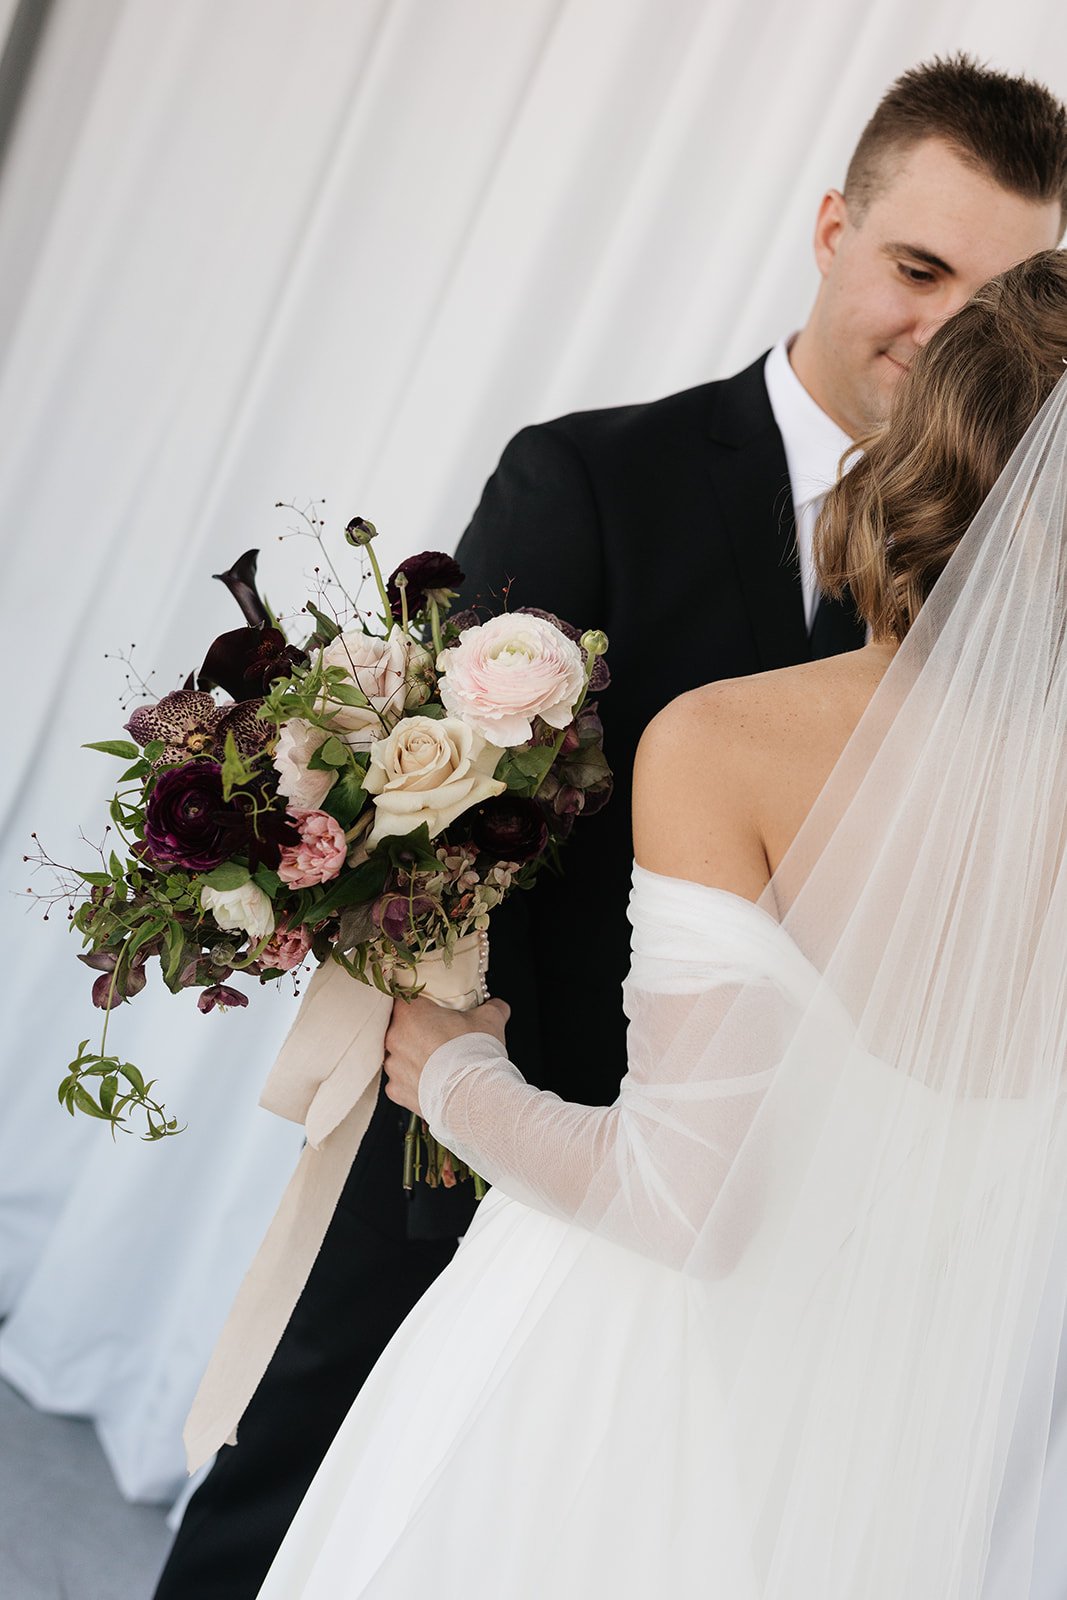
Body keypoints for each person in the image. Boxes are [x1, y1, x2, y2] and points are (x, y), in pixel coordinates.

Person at [151, 56, 1067, 1600]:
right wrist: (455, 1072)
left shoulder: (1017, 595)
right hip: (492, 1140)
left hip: (776, 1257)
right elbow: (444, 830)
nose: (946, 330)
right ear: (833, 226)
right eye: (920, 270)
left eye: (994, 301)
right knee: (294, 1506)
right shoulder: (591, 475)